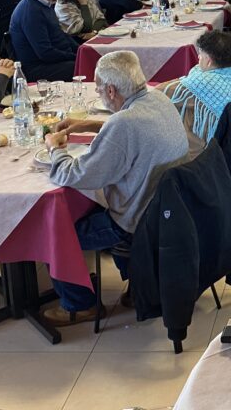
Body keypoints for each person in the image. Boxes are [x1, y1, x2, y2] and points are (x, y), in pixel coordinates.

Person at [41, 50, 190, 324]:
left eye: (98, 89)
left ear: (110, 90)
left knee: (55, 231)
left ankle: (80, 304)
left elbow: (75, 175)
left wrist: (54, 151)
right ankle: (140, 284)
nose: (98, 93)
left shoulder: (124, 123)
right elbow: (131, 128)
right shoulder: (157, 97)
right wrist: (88, 123)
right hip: (169, 211)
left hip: (135, 223)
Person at [8, 0, 79, 82]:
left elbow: (61, 34)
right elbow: (45, 53)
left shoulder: (43, 3)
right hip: (37, 68)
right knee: (83, 67)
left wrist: (80, 50)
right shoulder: (31, 13)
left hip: (54, 60)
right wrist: (75, 57)